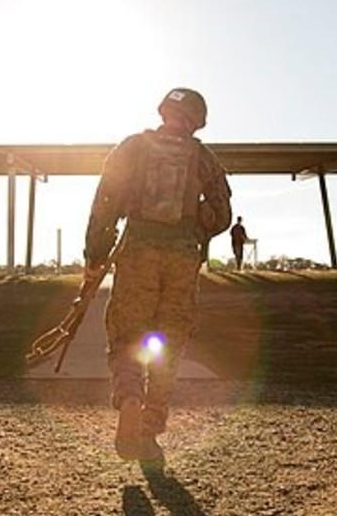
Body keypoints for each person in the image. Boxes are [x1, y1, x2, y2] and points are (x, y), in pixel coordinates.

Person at [83, 87, 233, 464]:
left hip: (138, 253)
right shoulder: (203, 158)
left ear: (164, 111)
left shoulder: (132, 147)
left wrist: (95, 255)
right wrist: (194, 230)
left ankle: (130, 395)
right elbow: (223, 214)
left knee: (126, 334)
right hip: (182, 258)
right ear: (196, 120)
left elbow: (105, 203)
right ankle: (150, 432)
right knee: (169, 342)